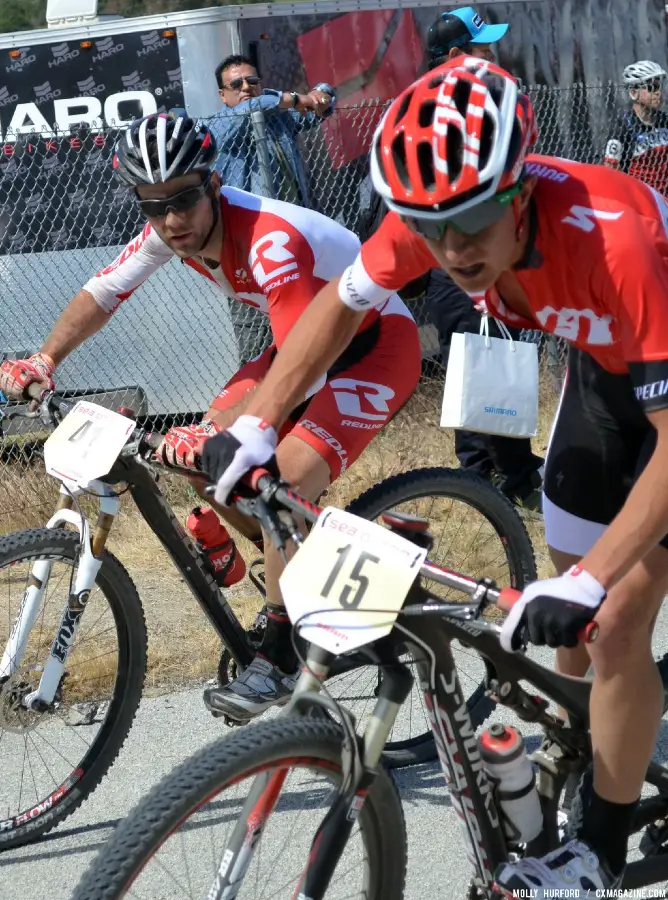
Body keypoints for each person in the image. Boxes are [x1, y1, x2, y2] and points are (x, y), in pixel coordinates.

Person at [202, 56, 668, 893]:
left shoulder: (615, 237)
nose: (450, 247)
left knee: (615, 618)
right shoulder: (435, 222)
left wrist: (599, 582)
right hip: (600, 375)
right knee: (564, 622)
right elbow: (340, 305)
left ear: (521, 192)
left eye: (472, 221)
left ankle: (596, 850)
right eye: (427, 224)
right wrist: (258, 425)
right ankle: (585, 748)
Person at [0, 112, 421, 723]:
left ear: (214, 183)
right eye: (153, 204)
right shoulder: (167, 231)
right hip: (301, 343)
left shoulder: (272, 241)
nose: (172, 219)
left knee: (281, 479)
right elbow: (104, 291)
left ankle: (280, 654)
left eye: (185, 199)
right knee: (203, 463)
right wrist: (45, 357)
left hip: (373, 347)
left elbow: (307, 365)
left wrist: (233, 434)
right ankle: (309, 576)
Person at [425, 6, 544, 509]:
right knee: (483, 364)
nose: (493, 58)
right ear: (456, 57)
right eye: (483, 50)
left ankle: (497, 475)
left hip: (470, 263)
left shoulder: (468, 105)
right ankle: (500, 479)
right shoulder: (439, 116)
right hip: (456, 266)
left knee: (483, 362)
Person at [206, 54, 336, 365]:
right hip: (248, 250)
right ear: (223, 95)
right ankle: (256, 406)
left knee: (308, 338)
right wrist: (294, 97)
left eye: (253, 81)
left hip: (294, 244)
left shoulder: (280, 118)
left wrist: (322, 93)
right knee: (258, 349)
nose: (246, 88)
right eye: (236, 84)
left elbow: (324, 104)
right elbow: (252, 108)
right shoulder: (218, 126)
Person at [604, 60, 668, 196]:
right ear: (634, 93)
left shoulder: (665, 120)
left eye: (659, 87)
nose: (658, 93)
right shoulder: (622, 128)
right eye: (651, 87)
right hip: (642, 200)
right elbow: (611, 171)